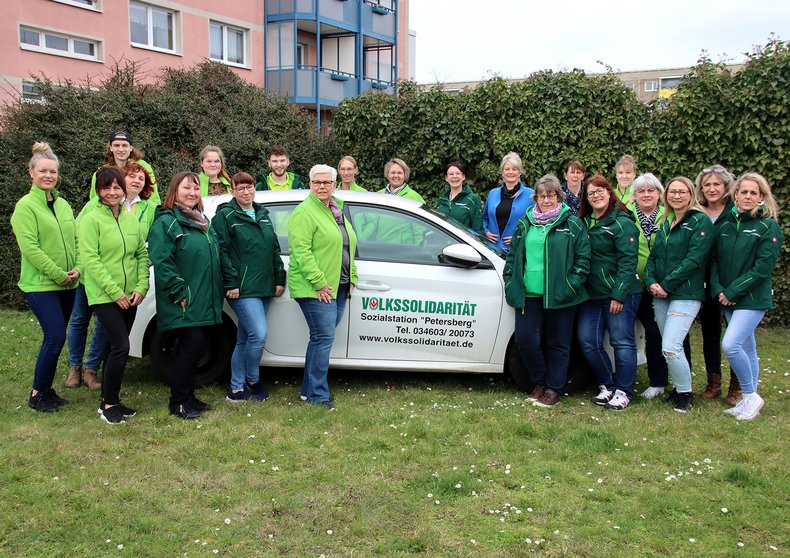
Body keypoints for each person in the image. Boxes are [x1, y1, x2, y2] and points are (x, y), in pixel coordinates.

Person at [148, 172, 237, 419]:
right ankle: (177, 402)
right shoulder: (166, 222)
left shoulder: (200, 220)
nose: (192, 193)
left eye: (196, 189)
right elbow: (162, 260)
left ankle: (188, 397)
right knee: (191, 347)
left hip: (203, 298)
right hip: (185, 299)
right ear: (174, 191)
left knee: (196, 347)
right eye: (186, 188)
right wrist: (179, 290)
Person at [503, 174, 590, 408]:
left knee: (558, 343)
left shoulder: (572, 223)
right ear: (536, 199)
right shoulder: (525, 222)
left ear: (558, 196)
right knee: (526, 339)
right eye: (542, 196)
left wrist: (571, 285)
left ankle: (553, 388)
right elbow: (513, 258)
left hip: (561, 295)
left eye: (551, 195)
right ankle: (540, 381)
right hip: (529, 294)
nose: (546, 200)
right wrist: (511, 282)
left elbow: (583, 260)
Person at [11, 143, 80, 412]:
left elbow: (76, 240)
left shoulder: (62, 205)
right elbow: (31, 249)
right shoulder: (25, 207)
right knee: (54, 336)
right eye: (43, 171)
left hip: (69, 283)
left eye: (52, 171)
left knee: (57, 337)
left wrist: (78, 269)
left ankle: (48, 389)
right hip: (41, 285)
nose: (48, 176)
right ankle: (37, 393)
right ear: (31, 173)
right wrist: (58, 274)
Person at [78, 167, 149, 424]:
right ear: (98, 190)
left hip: (131, 295)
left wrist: (142, 287)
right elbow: (91, 260)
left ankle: (110, 400)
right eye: (106, 188)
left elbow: (141, 253)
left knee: (113, 348)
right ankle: (110, 405)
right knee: (121, 346)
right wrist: (115, 292)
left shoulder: (130, 218)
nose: (112, 192)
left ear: (123, 189)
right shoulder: (90, 219)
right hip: (104, 295)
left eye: (116, 187)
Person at [711, 172, 783, 420]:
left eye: (754, 193)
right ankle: (747, 400)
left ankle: (751, 395)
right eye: (744, 192)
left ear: (761, 197)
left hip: (751, 299)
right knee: (747, 347)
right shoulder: (726, 224)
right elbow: (714, 260)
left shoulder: (768, 226)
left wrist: (732, 291)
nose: (748, 196)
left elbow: (763, 268)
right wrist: (719, 288)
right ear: (736, 194)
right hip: (727, 298)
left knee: (731, 345)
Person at [288, 164, 358, 410]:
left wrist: (352, 278)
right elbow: (301, 252)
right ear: (310, 184)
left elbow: (347, 244)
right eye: (316, 182)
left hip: (338, 285)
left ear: (334, 184)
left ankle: (309, 391)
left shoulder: (336, 208)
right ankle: (318, 395)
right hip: (316, 288)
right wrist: (318, 283)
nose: (321, 186)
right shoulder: (305, 211)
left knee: (319, 339)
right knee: (323, 338)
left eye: (326, 182)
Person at [212, 172, 286, 403]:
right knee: (258, 334)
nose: (246, 192)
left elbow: (273, 248)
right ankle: (252, 379)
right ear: (232, 191)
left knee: (244, 338)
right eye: (240, 188)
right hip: (242, 289)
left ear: (255, 188)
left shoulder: (263, 214)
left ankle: (236, 388)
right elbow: (221, 251)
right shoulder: (225, 217)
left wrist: (279, 278)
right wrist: (231, 282)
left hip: (264, 286)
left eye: (250, 187)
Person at [645, 176, 714, 413]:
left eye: (682, 192)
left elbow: (694, 260)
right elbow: (654, 256)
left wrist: (667, 284)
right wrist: (651, 281)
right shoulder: (667, 221)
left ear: (691, 194)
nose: (676, 196)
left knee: (671, 346)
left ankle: (686, 394)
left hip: (685, 293)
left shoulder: (700, 222)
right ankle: (678, 388)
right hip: (661, 294)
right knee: (671, 344)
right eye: (672, 192)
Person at [577, 175, 641, 410]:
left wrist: (619, 294)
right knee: (588, 340)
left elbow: (628, 261)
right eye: (591, 193)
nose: (596, 196)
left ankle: (624, 391)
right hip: (592, 295)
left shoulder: (622, 223)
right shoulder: (585, 222)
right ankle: (607, 385)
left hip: (618, 294)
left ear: (609, 191)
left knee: (622, 342)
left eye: (600, 190)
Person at [695, 165, 739, 403]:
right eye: (707, 185)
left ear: (726, 187)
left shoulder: (735, 212)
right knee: (710, 332)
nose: (711, 189)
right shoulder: (698, 212)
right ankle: (714, 381)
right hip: (704, 281)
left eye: (716, 185)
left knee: (735, 335)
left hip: (730, 280)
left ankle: (737, 384)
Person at [482, 152, 535, 253]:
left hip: (517, 250)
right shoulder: (493, 193)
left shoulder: (530, 195)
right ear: (502, 172)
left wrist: (519, 237)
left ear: (519, 172)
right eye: (507, 169)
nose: (510, 172)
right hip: (492, 250)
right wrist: (486, 231)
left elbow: (535, 223)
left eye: (514, 169)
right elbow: (485, 218)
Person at [91, 130, 159, 203]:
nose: (121, 149)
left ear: (131, 148)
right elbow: (94, 200)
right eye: (116, 145)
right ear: (111, 148)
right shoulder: (102, 172)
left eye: (124, 145)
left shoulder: (143, 166)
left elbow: (153, 195)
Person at [435, 160, 483, 233]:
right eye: (451, 174)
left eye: (458, 173)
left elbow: (478, 230)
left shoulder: (472, 199)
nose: (455, 176)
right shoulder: (442, 199)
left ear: (463, 176)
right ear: (446, 178)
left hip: (462, 243)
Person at [123, 161, 157, 240]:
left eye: (141, 178)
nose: (137, 181)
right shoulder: (108, 203)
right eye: (132, 176)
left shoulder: (152, 208)